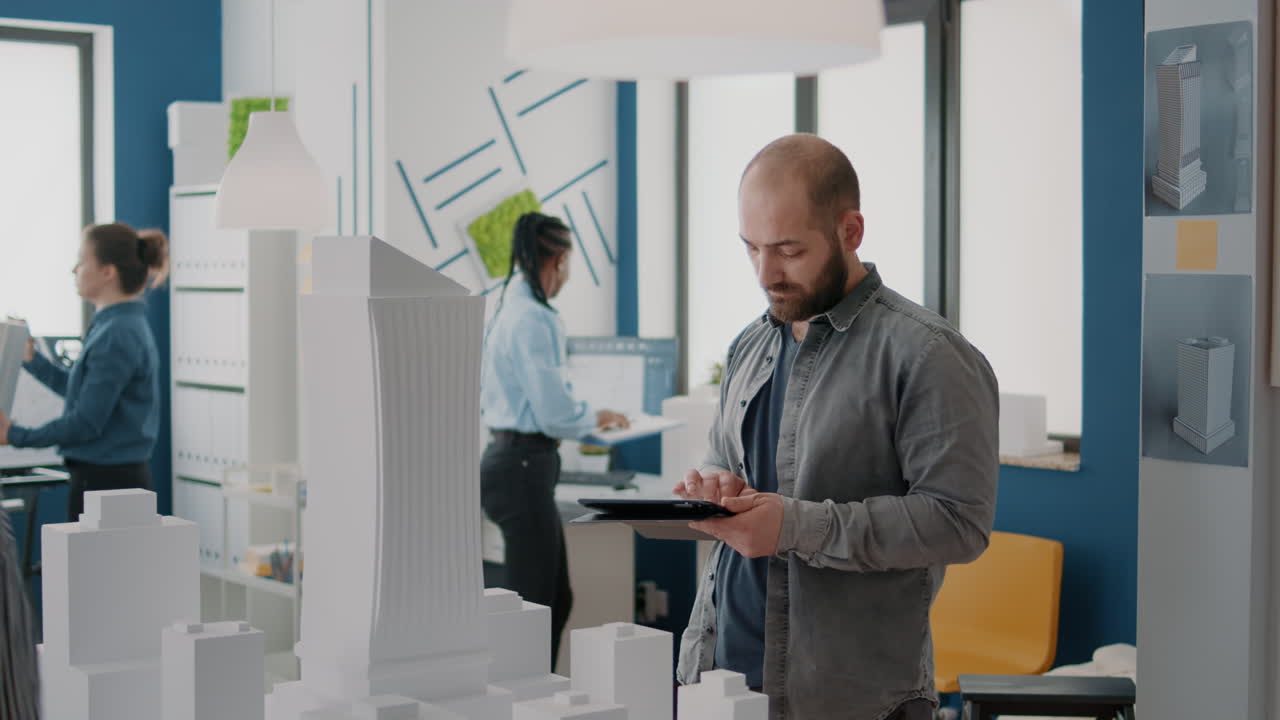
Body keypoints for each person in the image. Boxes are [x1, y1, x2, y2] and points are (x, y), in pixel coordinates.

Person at [673, 134, 999, 720]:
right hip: (723, 679)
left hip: (850, 699)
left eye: (789, 250)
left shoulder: (928, 354)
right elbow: (724, 459)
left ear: (850, 232)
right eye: (751, 249)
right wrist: (716, 488)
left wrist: (794, 526)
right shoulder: (750, 343)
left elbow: (959, 522)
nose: (766, 273)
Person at [479, 211, 629, 665]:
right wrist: (596, 416)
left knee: (550, 600)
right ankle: (523, 705)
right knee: (538, 608)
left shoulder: (511, 306)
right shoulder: (533, 318)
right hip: (521, 467)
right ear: (559, 260)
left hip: (512, 465)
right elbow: (554, 412)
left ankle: (525, 700)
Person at [0, 223, 168, 521]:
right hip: (107, 477)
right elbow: (81, 394)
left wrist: (15, 434)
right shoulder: (111, 324)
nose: (74, 269)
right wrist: (33, 360)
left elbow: (85, 422)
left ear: (107, 271)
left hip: (109, 482)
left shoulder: (117, 332)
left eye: (82, 261)